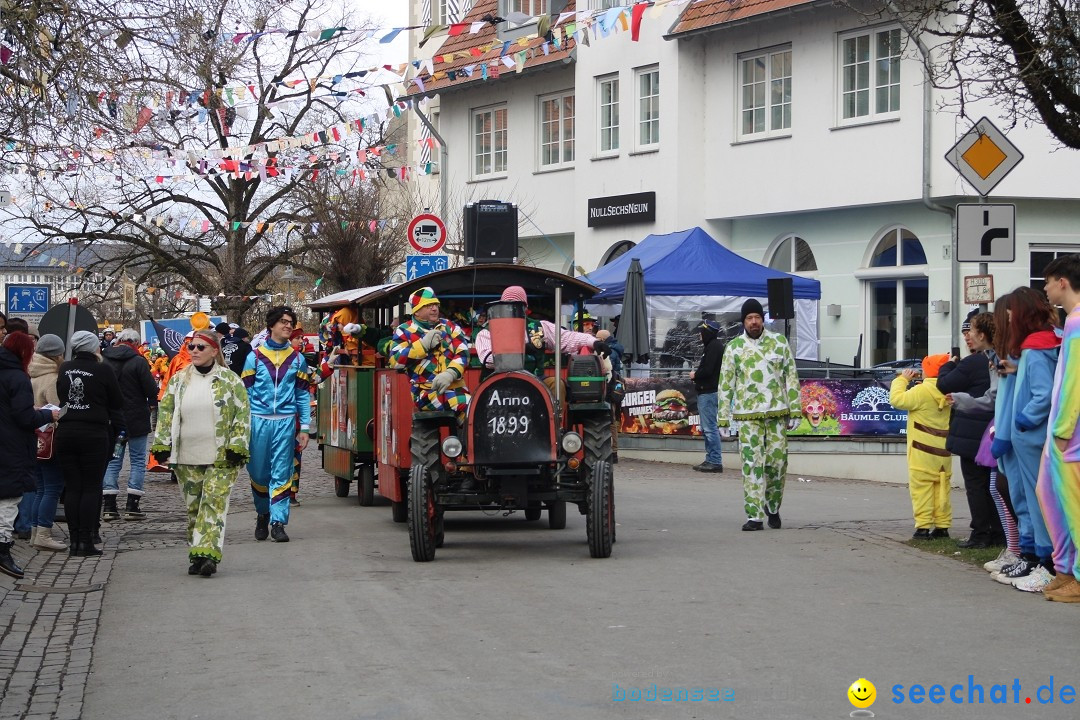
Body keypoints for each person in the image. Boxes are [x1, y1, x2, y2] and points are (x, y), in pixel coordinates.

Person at [151, 330, 250, 577]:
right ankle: (197, 553)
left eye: (200, 347)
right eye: (191, 347)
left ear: (214, 351)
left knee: (213, 504)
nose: (194, 351)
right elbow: (165, 413)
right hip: (187, 454)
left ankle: (208, 556)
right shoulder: (178, 380)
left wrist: (237, 445)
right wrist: (162, 444)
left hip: (222, 456)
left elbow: (242, 414)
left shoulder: (230, 380)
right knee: (194, 507)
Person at [992, 286, 1060, 592]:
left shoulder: (1035, 346)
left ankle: (1044, 562)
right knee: (1033, 498)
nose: (1006, 318)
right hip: (1033, 434)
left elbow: (1042, 394)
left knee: (1037, 499)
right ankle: (1037, 557)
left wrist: (1022, 421)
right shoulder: (1047, 342)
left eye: (1009, 313)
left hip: (1031, 435)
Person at [716, 299, 801, 531]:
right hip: (747, 416)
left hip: (776, 414)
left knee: (777, 463)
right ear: (743, 321)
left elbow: (791, 377)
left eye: (757, 317)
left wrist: (796, 409)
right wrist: (723, 418)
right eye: (749, 318)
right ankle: (754, 516)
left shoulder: (779, 343)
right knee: (752, 464)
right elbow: (726, 384)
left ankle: (772, 507)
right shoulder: (733, 348)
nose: (754, 322)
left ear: (762, 319)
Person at [241, 306, 311, 543]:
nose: (288, 326)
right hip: (258, 422)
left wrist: (305, 428)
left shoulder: (298, 359)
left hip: (285, 423)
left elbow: (302, 395)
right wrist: (244, 425)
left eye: (290, 322)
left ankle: (278, 522)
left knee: (283, 473)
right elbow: (246, 394)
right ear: (271, 325)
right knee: (259, 473)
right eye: (283, 321)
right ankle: (263, 513)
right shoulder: (254, 357)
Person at [55, 330, 125, 556]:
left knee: (73, 487)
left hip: (66, 431)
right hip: (93, 433)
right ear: (94, 347)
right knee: (91, 487)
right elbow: (117, 400)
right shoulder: (103, 369)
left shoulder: (65, 368)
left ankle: (74, 540)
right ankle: (86, 539)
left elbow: (60, 395)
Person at [1036, 255, 1080, 601]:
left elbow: (1074, 383)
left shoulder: (1078, 322)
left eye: (1048, 282)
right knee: (1048, 494)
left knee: (1073, 503)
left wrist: (1064, 429)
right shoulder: (1070, 323)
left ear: (1063, 282)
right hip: (1060, 429)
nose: (1045, 288)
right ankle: (1065, 568)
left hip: (1070, 432)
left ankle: (1077, 577)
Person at [937, 314, 1001, 548]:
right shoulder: (994, 360)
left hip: (975, 432)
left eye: (970, 331)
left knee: (977, 485)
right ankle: (999, 533)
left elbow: (944, 384)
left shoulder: (975, 362)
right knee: (993, 486)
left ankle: (981, 534)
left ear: (982, 334)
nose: (967, 337)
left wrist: (948, 365)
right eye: (965, 333)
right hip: (993, 430)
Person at [0, 333, 60, 577]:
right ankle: (3, 550)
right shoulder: (17, 377)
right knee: (8, 500)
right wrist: (47, 415)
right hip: (11, 446)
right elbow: (24, 418)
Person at [473, 286, 609, 376]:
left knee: (558, 387)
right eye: (508, 306)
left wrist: (594, 342)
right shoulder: (486, 333)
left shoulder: (541, 327)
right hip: (498, 383)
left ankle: (557, 420)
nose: (512, 311)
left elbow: (568, 338)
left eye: (517, 307)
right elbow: (488, 360)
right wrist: (522, 349)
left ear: (526, 308)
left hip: (536, 382)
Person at [890, 354, 954, 540]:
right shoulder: (948, 390)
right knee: (942, 486)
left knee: (922, 489)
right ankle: (942, 526)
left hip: (921, 451)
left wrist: (902, 379)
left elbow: (897, 400)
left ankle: (923, 527)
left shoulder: (921, 391)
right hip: (943, 450)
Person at [101, 328, 159, 521]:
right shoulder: (138, 362)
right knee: (136, 461)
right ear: (135, 343)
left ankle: (109, 506)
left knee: (114, 459)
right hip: (136, 421)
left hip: (114, 421)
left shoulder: (105, 360)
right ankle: (132, 506)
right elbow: (151, 389)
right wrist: (151, 403)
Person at [388, 287, 471, 419]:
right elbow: (395, 361)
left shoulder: (450, 327)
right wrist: (423, 345)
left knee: (477, 406)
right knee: (468, 405)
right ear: (416, 312)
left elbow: (463, 353)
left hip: (457, 389)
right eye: (428, 305)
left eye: (436, 305)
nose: (434, 308)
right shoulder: (404, 330)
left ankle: (465, 438)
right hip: (426, 393)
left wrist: (451, 373)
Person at [28, 334, 68, 551]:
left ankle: (36, 532)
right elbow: (57, 410)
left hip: (34, 440)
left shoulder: (32, 373)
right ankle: (43, 532)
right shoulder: (52, 378)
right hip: (50, 439)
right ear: (57, 355)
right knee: (52, 488)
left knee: (41, 488)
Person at [690, 320, 725, 473]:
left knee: (710, 428)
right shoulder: (713, 346)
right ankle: (711, 458)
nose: (699, 335)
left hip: (709, 392)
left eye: (702, 332)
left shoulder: (713, 347)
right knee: (707, 428)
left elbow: (708, 370)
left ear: (707, 333)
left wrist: (695, 375)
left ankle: (715, 461)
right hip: (707, 391)